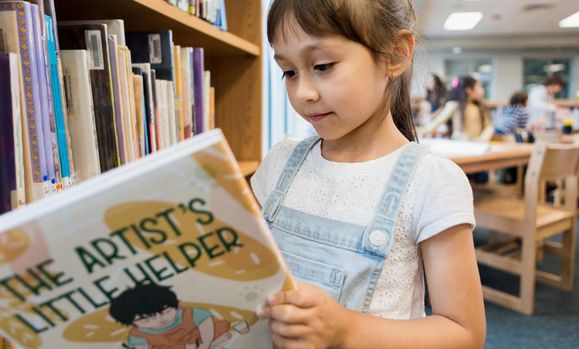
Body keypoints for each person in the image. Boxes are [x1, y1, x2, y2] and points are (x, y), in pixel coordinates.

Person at [251, 1, 486, 348]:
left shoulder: (431, 181)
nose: (303, 93)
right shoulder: (280, 162)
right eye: (289, 72)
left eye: (322, 66)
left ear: (395, 54)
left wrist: (345, 331)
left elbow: (464, 333)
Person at [109, 284, 232, 349]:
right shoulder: (138, 335)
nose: (160, 320)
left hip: (199, 337)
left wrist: (205, 344)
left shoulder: (188, 313)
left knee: (223, 331)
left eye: (166, 311)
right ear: (131, 323)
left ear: (175, 305)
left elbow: (206, 322)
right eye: (146, 320)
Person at [422, 75, 494, 142]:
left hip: (476, 145)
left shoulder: (480, 107)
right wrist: (423, 131)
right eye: (479, 86)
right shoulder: (454, 105)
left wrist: (482, 139)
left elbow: (488, 126)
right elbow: (438, 122)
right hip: (459, 145)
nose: (482, 90)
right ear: (468, 90)